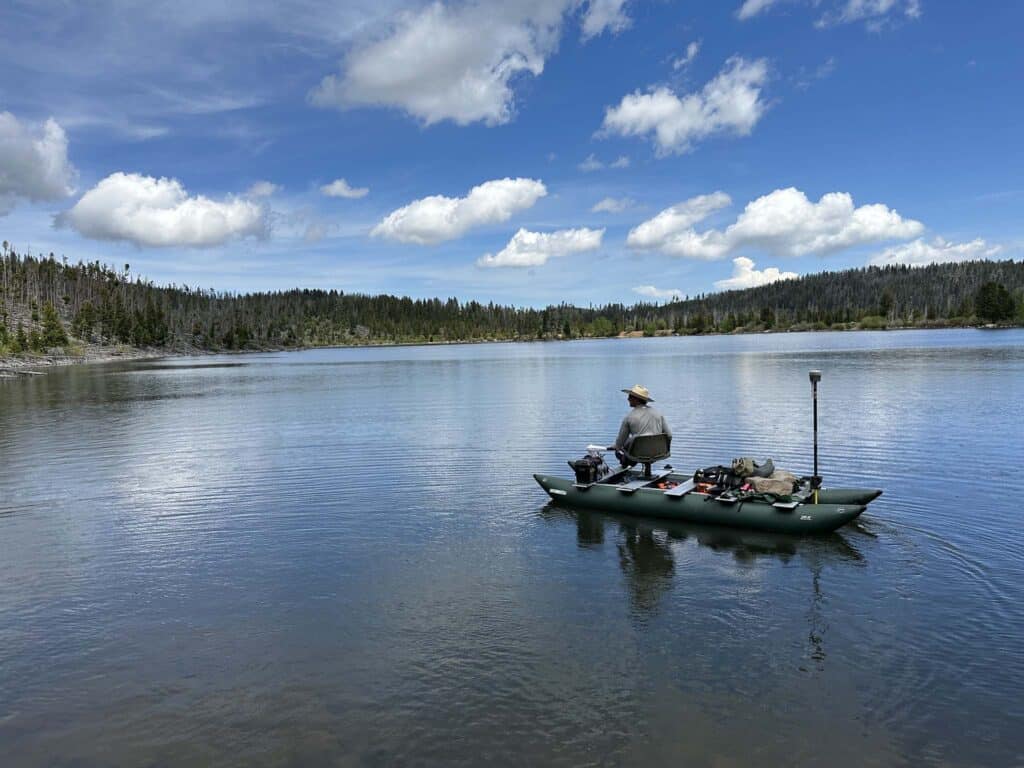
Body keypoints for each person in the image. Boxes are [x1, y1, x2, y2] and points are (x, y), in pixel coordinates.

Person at [610, 385, 672, 467]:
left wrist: (616, 447)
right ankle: (647, 469)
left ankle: (624, 465)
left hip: (637, 455)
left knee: (619, 450)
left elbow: (620, 442)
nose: (628, 399)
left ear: (636, 399)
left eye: (630, 397)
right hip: (659, 453)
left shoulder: (629, 417)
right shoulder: (659, 414)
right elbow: (669, 435)